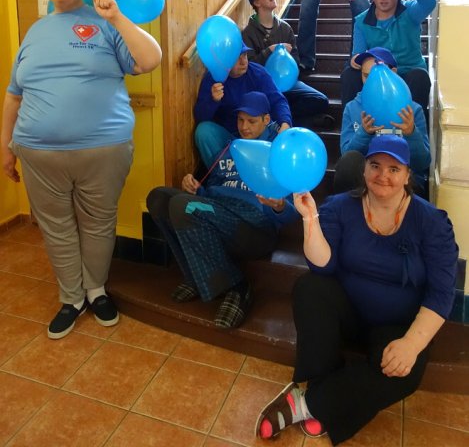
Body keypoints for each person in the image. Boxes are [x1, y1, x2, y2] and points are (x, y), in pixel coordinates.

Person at [0, 0, 162, 340]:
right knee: (56, 227)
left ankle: (96, 290)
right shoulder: (35, 32)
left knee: (98, 223)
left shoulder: (105, 22)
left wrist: (117, 17)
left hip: (103, 151)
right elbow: (14, 95)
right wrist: (5, 145)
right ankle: (71, 298)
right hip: (38, 153)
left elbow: (150, 59)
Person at [256, 135, 458, 445]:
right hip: (349, 313)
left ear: (407, 175)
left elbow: (442, 293)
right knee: (309, 287)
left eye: (394, 169)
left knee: (406, 372)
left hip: (397, 325)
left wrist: (411, 343)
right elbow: (323, 266)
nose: (383, 175)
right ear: (364, 170)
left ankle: (307, 403)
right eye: (375, 165)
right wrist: (310, 219)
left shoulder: (431, 222)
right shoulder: (340, 207)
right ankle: (327, 399)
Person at [146, 92, 298, 329]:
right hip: (222, 210)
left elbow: (293, 214)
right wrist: (197, 189)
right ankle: (196, 277)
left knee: (184, 206)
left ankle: (237, 287)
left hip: (255, 226)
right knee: (158, 198)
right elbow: (212, 189)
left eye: (251, 121)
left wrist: (279, 206)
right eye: (240, 120)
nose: (244, 127)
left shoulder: (278, 152)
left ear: (267, 120)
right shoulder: (230, 147)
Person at [242, 0, 334, 130]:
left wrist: (287, 60)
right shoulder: (248, 33)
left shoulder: (285, 28)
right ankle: (307, 122)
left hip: (289, 84)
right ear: (256, 2)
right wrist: (269, 51)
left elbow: (296, 62)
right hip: (264, 87)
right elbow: (249, 68)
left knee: (321, 100)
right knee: (267, 105)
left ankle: (285, 120)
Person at [336, 47, 430, 195]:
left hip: (402, 180)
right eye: (366, 76)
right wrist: (364, 133)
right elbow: (347, 156)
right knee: (349, 161)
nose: (371, 82)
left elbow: (422, 163)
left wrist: (411, 133)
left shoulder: (412, 110)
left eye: (377, 75)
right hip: (368, 177)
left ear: (393, 73)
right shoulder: (352, 108)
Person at [341, 0, 436, 112]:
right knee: (350, 75)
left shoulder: (411, 12)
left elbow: (429, 2)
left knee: (420, 76)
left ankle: (413, 124)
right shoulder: (361, 21)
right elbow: (357, 55)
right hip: (379, 74)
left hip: (408, 74)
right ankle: (352, 123)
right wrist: (356, 60)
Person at [193, 42, 292, 167]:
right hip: (228, 134)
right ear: (225, 60)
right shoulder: (212, 78)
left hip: (258, 133)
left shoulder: (258, 73)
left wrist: (285, 123)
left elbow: (278, 101)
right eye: (237, 58)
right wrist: (213, 101)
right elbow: (200, 117)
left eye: (244, 55)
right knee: (203, 131)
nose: (243, 62)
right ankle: (220, 174)